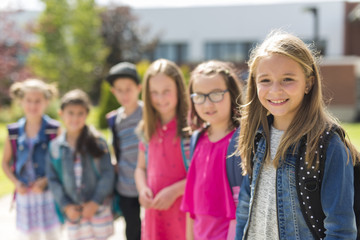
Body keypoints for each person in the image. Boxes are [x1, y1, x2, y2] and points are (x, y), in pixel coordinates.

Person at [235, 30, 359, 239]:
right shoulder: (256, 137)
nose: (275, 90)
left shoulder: (328, 145)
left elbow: (341, 230)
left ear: (309, 83)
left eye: (287, 79)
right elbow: (244, 210)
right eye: (265, 80)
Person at [181, 60, 244, 240]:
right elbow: (191, 207)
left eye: (216, 94)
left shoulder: (242, 141)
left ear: (231, 94)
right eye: (199, 96)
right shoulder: (196, 140)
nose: (207, 104)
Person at [46, 89, 115, 240]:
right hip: (73, 212)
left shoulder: (98, 142)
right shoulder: (55, 146)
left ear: (87, 114)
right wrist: (66, 206)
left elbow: (108, 173)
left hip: (98, 209)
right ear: (61, 113)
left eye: (80, 113)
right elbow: (53, 179)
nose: (75, 118)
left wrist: (95, 202)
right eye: (70, 113)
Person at [134, 59, 189, 240]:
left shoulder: (191, 129)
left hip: (184, 214)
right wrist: (142, 189)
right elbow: (140, 168)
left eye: (166, 91)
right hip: (154, 213)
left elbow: (202, 175)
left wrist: (174, 191)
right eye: (154, 93)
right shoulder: (147, 128)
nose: (160, 98)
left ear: (179, 90)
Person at [1, 79, 62, 240]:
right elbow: (5, 162)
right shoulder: (13, 132)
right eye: (28, 100)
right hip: (25, 195)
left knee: (52, 235)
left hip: (49, 194)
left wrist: (46, 180)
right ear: (21, 101)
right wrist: (16, 182)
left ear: (46, 102)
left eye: (38, 101)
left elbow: (62, 162)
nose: (33, 105)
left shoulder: (54, 130)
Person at [105, 62, 142, 240]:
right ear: (113, 92)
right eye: (119, 90)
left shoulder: (148, 114)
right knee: (132, 229)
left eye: (129, 88)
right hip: (126, 185)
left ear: (139, 88)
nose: (124, 94)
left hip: (149, 183)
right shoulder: (113, 119)